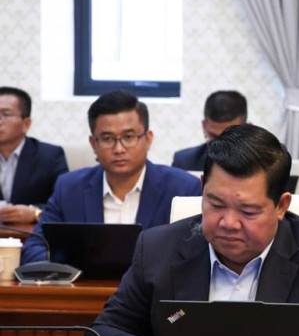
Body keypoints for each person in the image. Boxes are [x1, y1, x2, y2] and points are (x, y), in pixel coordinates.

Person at [87, 124, 299, 336]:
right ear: (202, 189)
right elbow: (103, 331)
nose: (228, 223)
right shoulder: (158, 248)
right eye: (216, 205)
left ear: (281, 206)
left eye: (248, 211)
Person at [20, 90, 202, 264]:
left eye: (128, 137)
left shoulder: (184, 188)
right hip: (86, 284)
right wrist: (74, 263)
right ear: (93, 144)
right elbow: (33, 248)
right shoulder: (69, 188)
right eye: (107, 138)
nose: (119, 149)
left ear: (148, 139)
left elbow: (198, 252)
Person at [0, 86, 68, 224]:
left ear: (26, 124)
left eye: (6, 115)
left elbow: (65, 202)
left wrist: (36, 213)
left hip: (32, 232)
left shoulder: (50, 156)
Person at [172, 90, 248, 172]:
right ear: (204, 126)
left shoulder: (258, 164)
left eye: (230, 135)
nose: (222, 143)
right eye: (215, 136)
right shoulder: (184, 162)